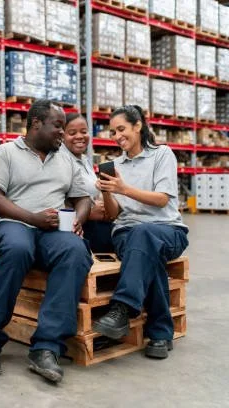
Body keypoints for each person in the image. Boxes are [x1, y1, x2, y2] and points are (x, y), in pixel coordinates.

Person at [0, 100, 93, 383]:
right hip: (15, 223)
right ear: (37, 123)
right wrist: (32, 218)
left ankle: (47, 347)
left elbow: (83, 197)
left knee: (75, 251)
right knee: (17, 249)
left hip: (52, 230)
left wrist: (78, 220)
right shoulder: (5, 153)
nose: (62, 134)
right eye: (58, 127)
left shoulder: (64, 157)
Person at [92, 105, 189, 360]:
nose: (116, 136)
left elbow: (161, 199)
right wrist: (106, 190)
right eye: (113, 132)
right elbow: (113, 216)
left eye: (121, 129)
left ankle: (122, 307)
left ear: (138, 126)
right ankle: (160, 333)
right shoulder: (117, 166)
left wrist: (124, 189)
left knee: (145, 235)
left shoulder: (162, 155)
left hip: (168, 231)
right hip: (128, 234)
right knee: (144, 246)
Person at [61, 113, 114, 253]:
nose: (79, 136)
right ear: (62, 135)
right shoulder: (60, 160)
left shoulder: (84, 160)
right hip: (79, 228)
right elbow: (54, 199)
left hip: (96, 224)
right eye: (72, 133)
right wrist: (88, 213)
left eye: (84, 132)